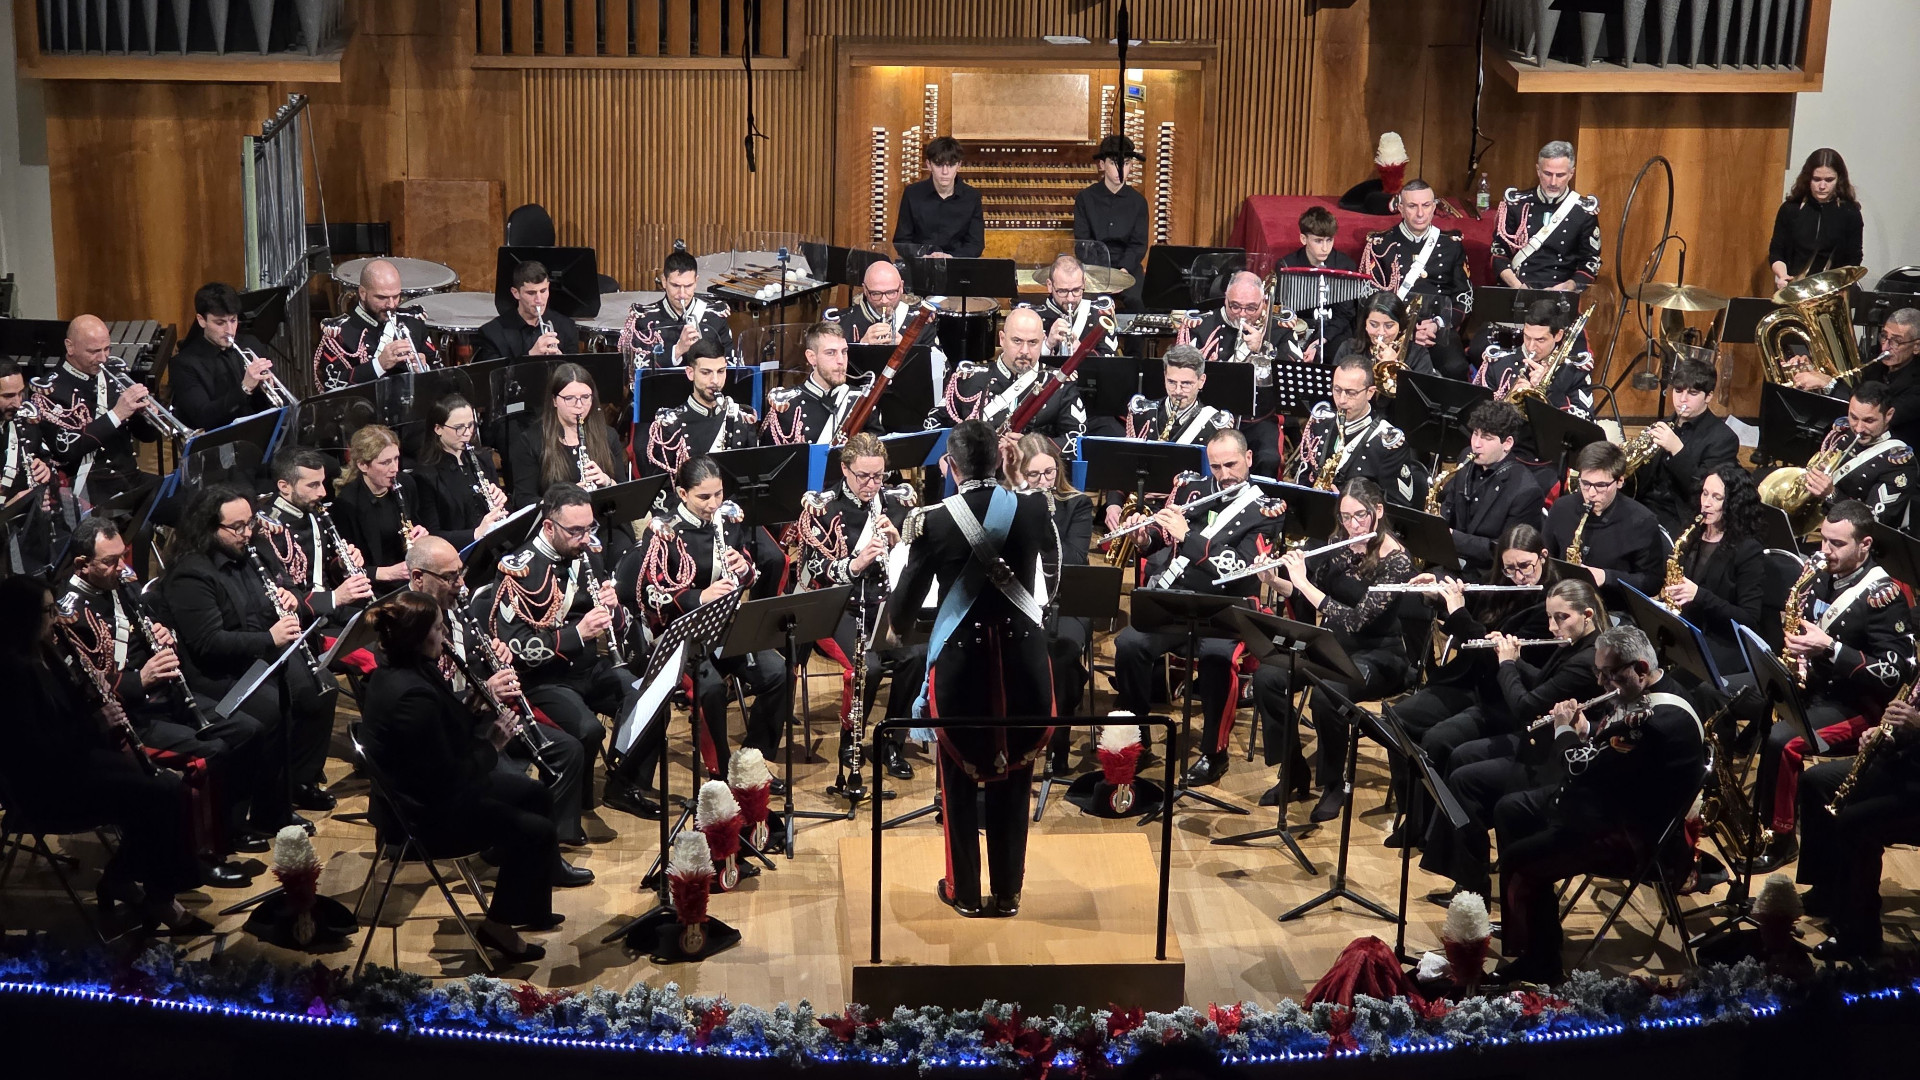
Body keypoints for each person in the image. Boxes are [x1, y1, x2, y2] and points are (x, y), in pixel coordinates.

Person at [887, 420, 1052, 917]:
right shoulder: (1033, 507)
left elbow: (902, 611)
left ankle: (965, 891)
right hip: (1024, 662)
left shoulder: (931, 522)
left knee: (958, 778)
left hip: (962, 667)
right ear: (1002, 462)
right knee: (1016, 773)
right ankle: (1008, 893)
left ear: (949, 467)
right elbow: (1056, 577)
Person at [56, 516, 264, 885]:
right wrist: (143, 678)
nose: (121, 568)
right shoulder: (68, 613)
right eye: (110, 561)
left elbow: (144, 625)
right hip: (126, 715)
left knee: (246, 729)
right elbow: (81, 685)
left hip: (162, 697)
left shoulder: (119, 586)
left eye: (122, 557)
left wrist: (161, 632)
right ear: (81, 565)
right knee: (209, 753)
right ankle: (200, 854)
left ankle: (227, 828)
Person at [359, 591, 565, 962]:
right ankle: (499, 926)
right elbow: (447, 779)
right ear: (420, 637)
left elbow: (443, 731)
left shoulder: (409, 669)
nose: (445, 636)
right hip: (423, 816)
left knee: (536, 793)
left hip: (435, 790)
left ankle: (525, 905)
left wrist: (473, 705)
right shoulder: (410, 695)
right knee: (536, 831)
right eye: (439, 629)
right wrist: (494, 745)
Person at [1493, 625, 1705, 984]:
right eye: (1599, 673)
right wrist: (1587, 728)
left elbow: (1580, 768)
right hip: (1610, 800)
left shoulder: (1656, 720)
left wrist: (1562, 729)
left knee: (1519, 860)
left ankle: (1540, 960)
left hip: (1631, 835)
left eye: (1610, 675)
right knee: (1510, 810)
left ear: (1640, 668)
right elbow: (1611, 754)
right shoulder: (1648, 692)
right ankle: (1534, 928)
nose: (1602, 684)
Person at [0, 575, 211, 934]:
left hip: (74, 763)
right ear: (23, 619)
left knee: (162, 785)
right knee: (162, 794)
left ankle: (125, 877)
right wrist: (95, 723)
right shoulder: (10, 674)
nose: (57, 618)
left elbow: (69, 715)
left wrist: (96, 697)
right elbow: (37, 751)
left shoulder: (45, 651)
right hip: (44, 789)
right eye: (48, 611)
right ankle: (155, 893)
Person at [1743, 499, 1912, 872]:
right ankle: (1749, 814)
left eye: (1837, 544)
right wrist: (1801, 657)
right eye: (1823, 540)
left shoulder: (1884, 597)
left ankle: (1782, 836)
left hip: (1858, 706)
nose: (1825, 551)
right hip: (1815, 688)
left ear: (1864, 545)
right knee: (1743, 698)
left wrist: (1832, 649)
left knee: (1782, 740)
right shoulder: (1818, 574)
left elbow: (1895, 672)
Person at [1110, 429, 1285, 786]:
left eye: (1231, 464)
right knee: (1129, 645)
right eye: (1216, 466)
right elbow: (1160, 539)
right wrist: (1144, 536)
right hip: (1175, 600)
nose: (1223, 474)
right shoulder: (1192, 489)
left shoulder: (1267, 510)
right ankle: (1138, 737)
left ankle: (1214, 753)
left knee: (1218, 661)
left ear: (1249, 459)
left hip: (1227, 609)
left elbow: (1236, 568)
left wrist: (1188, 536)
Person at [1418, 577, 1609, 902]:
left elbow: (1526, 706)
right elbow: (1544, 685)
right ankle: (1465, 868)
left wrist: (1506, 663)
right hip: (1540, 742)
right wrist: (1517, 658)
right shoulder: (1575, 646)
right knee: (1460, 756)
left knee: (1465, 780)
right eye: (1550, 617)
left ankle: (1472, 888)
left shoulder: (1587, 660)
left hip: (1555, 760)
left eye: (1562, 618)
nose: (1552, 627)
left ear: (1587, 615)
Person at [404, 536, 594, 859]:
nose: (460, 585)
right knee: (517, 783)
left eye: (460, 574)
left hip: (481, 716)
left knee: (568, 750)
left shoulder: (458, 611)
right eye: (449, 577)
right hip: (452, 738)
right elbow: (430, 702)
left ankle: (547, 846)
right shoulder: (407, 626)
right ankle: (513, 844)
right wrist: (485, 690)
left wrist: (497, 655)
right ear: (418, 577)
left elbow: (469, 663)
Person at [160, 486, 326, 837]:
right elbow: (208, 643)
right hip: (216, 674)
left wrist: (287, 597)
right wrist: (270, 639)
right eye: (236, 527)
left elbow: (282, 592)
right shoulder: (191, 574)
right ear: (208, 527)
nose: (247, 533)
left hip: (257, 659)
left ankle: (280, 802)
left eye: (249, 523)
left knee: (315, 692)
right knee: (270, 713)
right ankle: (236, 818)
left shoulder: (249, 555)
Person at [1255, 478, 1416, 821]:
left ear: (1378, 512)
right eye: (1345, 517)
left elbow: (1356, 620)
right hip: (1331, 645)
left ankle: (1332, 783)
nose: (1353, 525)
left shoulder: (1398, 562)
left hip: (1379, 655)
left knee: (1327, 694)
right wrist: (1277, 581)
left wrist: (1302, 582)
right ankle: (1294, 770)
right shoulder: (1338, 543)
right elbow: (1302, 594)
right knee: (1267, 676)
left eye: (1361, 516)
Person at [1384, 525, 1554, 838]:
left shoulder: (1551, 606)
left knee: (1437, 739)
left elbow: (1494, 652)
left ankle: (1437, 827)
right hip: (1468, 681)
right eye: (1509, 567)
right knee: (1395, 718)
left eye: (1525, 567)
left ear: (1542, 557)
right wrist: (1439, 597)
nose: (1517, 576)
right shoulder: (1498, 583)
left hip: (1502, 696)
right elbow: (1473, 621)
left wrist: (1459, 612)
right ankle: (1414, 813)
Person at [630, 457, 791, 780]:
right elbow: (650, 593)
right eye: (704, 497)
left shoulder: (728, 520)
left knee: (779, 672)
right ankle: (724, 770)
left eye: (718, 494)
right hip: (680, 633)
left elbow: (745, 569)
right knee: (713, 689)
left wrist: (745, 570)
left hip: (724, 626)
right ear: (682, 493)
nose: (714, 503)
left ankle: (755, 757)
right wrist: (698, 597)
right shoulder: (664, 532)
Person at [492, 483, 642, 815]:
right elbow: (518, 647)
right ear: (549, 526)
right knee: (589, 730)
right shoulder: (519, 569)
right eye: (575, 531)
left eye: (589, 528)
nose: (585, 537)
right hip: (544, 680)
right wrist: (579, 633)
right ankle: (573, 810)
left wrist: (614, 609)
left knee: (648, 700)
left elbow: (620, 624)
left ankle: (624, 785)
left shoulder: (588, 553)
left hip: (591, 668)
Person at [792, 433, 926, 787]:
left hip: (885, 602)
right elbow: (809, 570)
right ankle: (850, 745)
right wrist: (853, 565)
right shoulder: (823, 507)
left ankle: (892, 741)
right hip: (839, 607)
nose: (871, 484)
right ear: (845, 470)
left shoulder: (895, 501)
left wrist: (901, 545)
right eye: (863, 476)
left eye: (878, 476)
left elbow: (918, 561)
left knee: (916, 656)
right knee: (871, 665)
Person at [1795, 691, 1920, 960]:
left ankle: (1860, 935)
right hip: (1907, 767)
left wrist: (1917, 724)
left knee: (1855, 822)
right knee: (1817, 781)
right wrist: (1883, 737)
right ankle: (1827, 891)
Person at [1009, 434, 1095, 772]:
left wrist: (1041, 517)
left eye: (1050, 472)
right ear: (1020, 474)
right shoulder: (1007, 502)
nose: (1044, 481)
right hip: (1017, 600)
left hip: (1065, 600)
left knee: (1060, 655)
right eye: (1034, 475)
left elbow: (1073, 557)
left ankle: (1058, 743)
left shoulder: (1077, 504)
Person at [31, 314, 161, 512]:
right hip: (87, 488)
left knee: (191, 502)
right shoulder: (51, 390)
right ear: (70, 346)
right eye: (94, 351)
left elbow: (147, 437)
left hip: (130, 479)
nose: (103, 358)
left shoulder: (114, 374)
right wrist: (118, 413)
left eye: (107, 349)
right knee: (140, 531)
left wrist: (149, 416)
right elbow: (67, 450)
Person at [925, 306, 1086, 455]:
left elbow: (1078, 439)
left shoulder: (1059, 384)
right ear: (1002, 338)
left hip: (1036, 479)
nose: (1025, 351)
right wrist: (948, 457)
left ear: (1043, 340)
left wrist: (1035, 447)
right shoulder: (970, 378)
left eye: (1033, 342)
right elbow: (933, 424)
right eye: (1017, 341)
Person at [1661, 465, 1767, 679]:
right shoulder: (1693, 534)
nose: (1706, 503)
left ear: (1733, 504)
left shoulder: (1747, 549)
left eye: (1717, 497)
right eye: (1705, 493)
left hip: (1723, 642)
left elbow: (1749, 618)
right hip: (1689, 629)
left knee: (1679, 680)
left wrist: (1699, 595)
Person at [1358, 180, 1472, 379]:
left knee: (1456, 368)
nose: (1420, 213)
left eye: (1426, 205)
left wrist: (1438, 324)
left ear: (1434, 207)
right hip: (1393, 331)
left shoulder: (1451, 245)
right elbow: (1368, 301)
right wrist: (1406, 331)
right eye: (1412, 206)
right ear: (1401, 208)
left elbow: (1464, 297)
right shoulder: (1381, 244)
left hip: (1439, 329)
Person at [1542, 440, 1669, 609]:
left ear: (1619, 481)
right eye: (1585, 484)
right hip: (1562, 605)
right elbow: (1546, 558)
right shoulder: (1561, 508)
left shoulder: (1642, 521)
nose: (1591, 494)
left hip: (1613, 609)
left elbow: (1652, 582)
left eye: (1601, 485)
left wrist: (1606, 577)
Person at [1472, 298, 1596, 459]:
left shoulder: (1573, 371)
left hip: (1547, 455)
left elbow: (1585, 423)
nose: (1531, 347)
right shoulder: (1500, 364)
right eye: (1527, 337)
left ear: (1558, 335)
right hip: (1503, 453)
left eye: (1540, 340)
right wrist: (1507, 401)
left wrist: (1548, 392)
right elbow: (1478, 415)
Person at [1631, 359, 1742, 535]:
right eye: (1678, 390)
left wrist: (1677, 451)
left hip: (1681, 515)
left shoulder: (1723, 439)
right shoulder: (1662, 425)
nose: (1682, 399)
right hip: (1643, 506)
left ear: (1709, 396)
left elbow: (1704, 491)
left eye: (1693, 393)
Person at [1289, 356, 1418, 506]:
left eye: (1351, 393)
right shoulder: (1320, 423)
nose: (1342, 400)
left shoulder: (1389, 442)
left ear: (1370, 392)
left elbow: (1398, 506)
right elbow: (1302, 478)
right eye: (1337, 390)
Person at [1435, 400, 1544, 577]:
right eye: (1475, 434)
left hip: (1489, 575)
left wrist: (1452, 537)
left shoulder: (1526, 491)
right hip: (1453, 563)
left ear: (1507, 443)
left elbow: (1504, 551)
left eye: (1486, 437)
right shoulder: (1466, 457)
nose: (1476, 444)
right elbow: (1451, 503)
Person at [507, 363, 630, 506]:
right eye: (570, 398)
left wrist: (607, 482)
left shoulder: (608, 435)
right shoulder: (530, 441)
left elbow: (624, 492)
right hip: (557, 523)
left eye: (585, 397)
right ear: (554, 400)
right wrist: (565, 498)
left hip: (602, 516)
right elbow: (525, 500)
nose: (579, 405)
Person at [1488, 141, 1602, 293]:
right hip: (1517, 287)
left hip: (1561, 292)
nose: (1553, 182)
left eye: (1560, 175)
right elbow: (1498, 252)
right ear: (1538, 170)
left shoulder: (1583, 211)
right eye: (1547, 174)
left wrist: (1569, 286)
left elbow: (1591, 261)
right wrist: (1517, 286)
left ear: (1571, 173)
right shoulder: (1517, 204)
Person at [1802, 381, 1917, 529]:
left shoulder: (1900, 463)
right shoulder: (1843, 434)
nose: (1859, 428)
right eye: (1853, 417)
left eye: (1869, 420)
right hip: (1822, 523)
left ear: (1889, 415)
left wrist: (1832, 494)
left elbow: (1874, 521)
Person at [168, 281, 279, 431]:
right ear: (202, 321)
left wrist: (267, 390)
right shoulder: (183, 364)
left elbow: (275, 403)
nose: (229, 330)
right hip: (218, 444)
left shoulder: (251, 344)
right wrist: (244, 388)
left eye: (233, 320)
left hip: (259, 432)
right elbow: (203, 417)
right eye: (220, 323)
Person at [312, 259, 438, 391]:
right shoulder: (339, 333)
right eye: (382, 298)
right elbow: (331, 387)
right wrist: (379, 364)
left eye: (396, 296)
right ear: (363, 293)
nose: (391, 305)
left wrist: (424, 370)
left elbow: (441, 374)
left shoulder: (413, 323)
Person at [330, 425, 430, 591]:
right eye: (385, 463)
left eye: (396, 458)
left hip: (410, 575)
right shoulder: (346, 504)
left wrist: (422, 534)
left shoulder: (406, 483)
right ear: (363, 465)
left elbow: (416, 522)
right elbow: (346, 569)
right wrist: (389, 573)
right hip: (377, 586)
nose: (395, 468)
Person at [639, 348, 761, 478]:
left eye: (720, 371)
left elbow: (753, 476)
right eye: (706, 372)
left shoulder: (742, 417)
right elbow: (662, 488)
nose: (715, 380)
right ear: (690, 373)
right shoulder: (671, 425)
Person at [410, 396, 513, 549]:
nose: (467, 433)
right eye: (459, 428)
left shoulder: (482, 458)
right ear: (438, 428)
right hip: (459, 554)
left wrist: (502, 501)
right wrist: (476, 533)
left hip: (494, 544)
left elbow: (503, 511)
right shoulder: (425, 475)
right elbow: (432, 535)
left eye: (471, 425)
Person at [762, 322, 884, 446]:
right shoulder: (788, 405)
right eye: (830, 353)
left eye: (844, 352)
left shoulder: (861, 401)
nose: (841, 361)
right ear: (811, 357)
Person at [620, 246, 735, 367]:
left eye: (688, 286)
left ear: (696, 282)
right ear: (664, 281)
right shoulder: (645, 319)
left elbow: (729, 364)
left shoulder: (715, 317)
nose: (682, 294)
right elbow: (639, 368)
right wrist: (678, 350)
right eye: (675, 286)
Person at [1072, 134, 1149, 308]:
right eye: (1114, 163)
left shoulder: (1139, 202)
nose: (1121, 170)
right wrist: (1104, 274)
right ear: (1102, 164)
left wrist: (1122, 272)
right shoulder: (1085, 198)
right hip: (1095, 268)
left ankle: (1134, 336)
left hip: (1128, 267)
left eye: (1126, 163)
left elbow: (1138, 245)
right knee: (1087, 303)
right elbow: (1083, 242)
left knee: (1137, 301)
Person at [1277, 205, 1363, 362]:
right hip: (1298, 327)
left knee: (1342, 349)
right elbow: (1281, 308)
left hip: (1333, 330)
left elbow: (1345, 314)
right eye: (1318, 241)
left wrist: (1320, 341)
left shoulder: (1345, 266)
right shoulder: (1286, 265)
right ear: (1304, 239)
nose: (1325, 248)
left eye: (1329, 240)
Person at [1769, 148, 1864, 289]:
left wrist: (1837, 284)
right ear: (1808, 179)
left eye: (1829, 180)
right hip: (1794, 288)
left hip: (1833, 289)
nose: (1822, 186)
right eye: (1816, 179)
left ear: (1839, 180)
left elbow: (1854, 257)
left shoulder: (1850, 213)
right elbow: (1777, 252)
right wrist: (1783, 276)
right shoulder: (1790, 209)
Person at [0, 360, 59, 573]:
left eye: (20, 393)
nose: (17, 403)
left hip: (27, 526)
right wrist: (10, 507)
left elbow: (44, 457)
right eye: (8, 396)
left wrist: (45, 469)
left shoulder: (23, 421)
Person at [892, 136, 984, 259]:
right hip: (920, 264)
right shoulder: (912, 193)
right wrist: (922, 256)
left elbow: (976, 245)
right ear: (929, 165)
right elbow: (901, 240)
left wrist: (950, 257)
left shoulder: (972, 197)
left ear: (959, 166)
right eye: (939, 165)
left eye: (950, 165)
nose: (945, 172)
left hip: (956, 265)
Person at [475, 260, 579, 361]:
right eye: (531, 293)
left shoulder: (567, 327)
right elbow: (494, 376)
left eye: (543, 291)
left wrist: (563, 362)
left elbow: (576, 374)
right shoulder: (492, 333)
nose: (539, 300)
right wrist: (530, 356)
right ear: (516, 293)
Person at [1852, 308, 1920, 450]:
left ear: (1916, 347)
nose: (1885, 347)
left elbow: (1881, 416)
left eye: (1896, 341)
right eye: (1884, 336)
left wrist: (1830, 384)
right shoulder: (1876, 366)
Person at [1332, 291, 1435, 381]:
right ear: (1365, 324)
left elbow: (1418, 399)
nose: (1381, 332)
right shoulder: (1347, 349)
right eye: (1373, 324)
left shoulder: (1418, 355)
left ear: (1400, 326)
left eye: (1389, 326)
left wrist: (1394, 368)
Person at [1034, 255, 1120, 360]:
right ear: (1050, 285)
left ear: (1084, 282)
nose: (1070, 299)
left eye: (1076, 290)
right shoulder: (1034, 316)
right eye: (1063, 291)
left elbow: (1111, 364)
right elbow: (1022, 366)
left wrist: (1082, 352)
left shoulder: (1099, 315)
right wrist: (1047, 345)